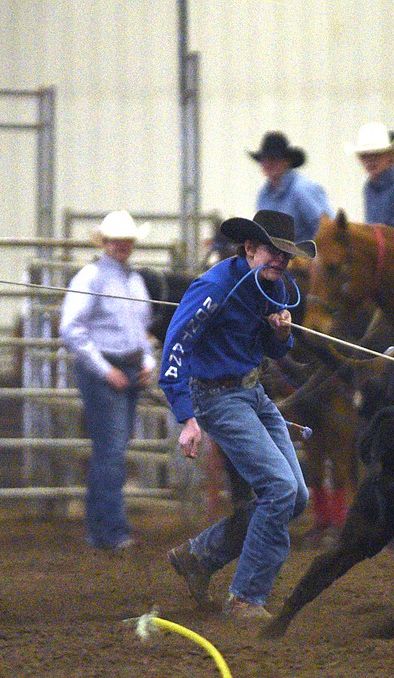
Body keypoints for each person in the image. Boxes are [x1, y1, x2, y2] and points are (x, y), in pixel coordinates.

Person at [160, 209, 312, 620]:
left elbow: (274, 348)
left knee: (295, 496)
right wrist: (186, 417)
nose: (281, 261)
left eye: (286, 255)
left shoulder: (274, 286)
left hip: (252, 392)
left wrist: (281, 335)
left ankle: (199, 556)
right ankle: (245, 597)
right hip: (217, 397)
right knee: (280, 489)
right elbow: (176, 347)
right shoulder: (212, 287)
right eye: (274, 252)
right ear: (249, 247)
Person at [59, 210, 156, 551]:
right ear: (103, 242)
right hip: (106, 370)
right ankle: (111, 530)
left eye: (126, 240)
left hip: (124, 368)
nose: (121, 245)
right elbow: (71, 329)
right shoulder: (90, 277)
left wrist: (146, 360)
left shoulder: (133, 280)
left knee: (112, 450)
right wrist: (105, 369)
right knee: (112, 450)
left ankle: (103, 528)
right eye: (115, 240)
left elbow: (142, 330)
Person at [250, 131, 334, 242]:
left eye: (274, 159)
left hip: (306, 256)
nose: (267, 164)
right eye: (264, 159)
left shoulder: (303, 189)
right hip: (278, 257)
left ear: (286, 162)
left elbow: (327, 230)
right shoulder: (264, 195)